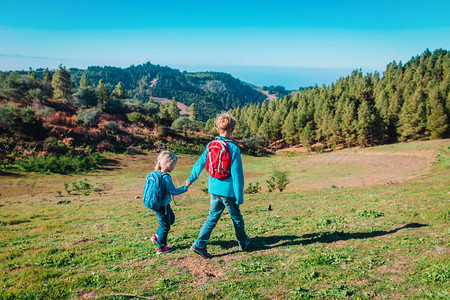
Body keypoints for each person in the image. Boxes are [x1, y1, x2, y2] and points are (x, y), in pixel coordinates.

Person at [186, 112, 250, 258]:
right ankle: (243, 242)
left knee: (212, 216)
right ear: (232, 129)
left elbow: (200, 163)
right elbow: (237, 174)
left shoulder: (210, 145)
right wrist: (239, 196)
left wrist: (190, 179)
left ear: (217, 129)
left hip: (214, 189)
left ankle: (199, 244)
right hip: (228, 192)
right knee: (236, 217)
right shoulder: (233, 148)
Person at [149, 151, 188, 254]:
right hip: (162, 205)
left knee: (170, 219)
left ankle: (157, 236)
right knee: (165, 226)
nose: (174, 167)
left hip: (157, 204)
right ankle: (162, 248)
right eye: (173, 164)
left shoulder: (154, 174)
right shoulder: (165, 177)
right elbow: (173, 191)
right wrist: (186, 187)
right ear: (168, 163)